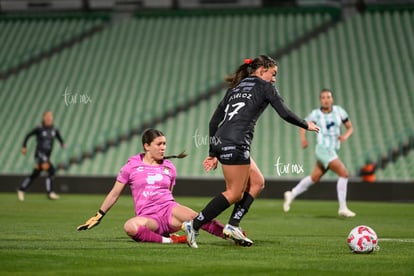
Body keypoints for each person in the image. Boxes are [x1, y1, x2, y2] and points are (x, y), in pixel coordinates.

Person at [184, 55, 320, 248]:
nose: (274, 79)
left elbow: (214, 121)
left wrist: (213, 152)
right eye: (273, 74)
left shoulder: (235, 88)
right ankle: (194, 225)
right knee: (234, 193)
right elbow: (284, 113)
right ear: (262, 70)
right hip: (237, 141)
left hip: (224, 139)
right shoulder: (266, 87)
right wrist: (306, 124)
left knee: (257, 182)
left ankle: (232, 225)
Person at [77, 129, 225, 244]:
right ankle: (170, 240)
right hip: (148, 217)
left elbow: (169, 195)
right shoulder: (131, 167)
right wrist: (99, 215)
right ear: (147, 146)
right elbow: (114, 193)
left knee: (197, 217)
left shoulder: (170, 167)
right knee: (130, 227)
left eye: (164, 144)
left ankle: (231, 235)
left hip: (169, 212)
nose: (163, 148)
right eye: (159, 144)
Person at [283, 88, 356, 217]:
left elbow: (350, 127)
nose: (326, 100)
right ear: (320, 100)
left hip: (332, 149)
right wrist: (303, 139)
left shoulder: (339, 111)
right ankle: (342, 208)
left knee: (314, 178)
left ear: (332, 99)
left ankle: (292, 193)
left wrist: (345, 136)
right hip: (322, 149)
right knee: (344, 174)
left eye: (328, 97)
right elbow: (302, 124)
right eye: (323, 97)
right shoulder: (316, 114)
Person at [17, 111, 65, 201]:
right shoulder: (39, 128)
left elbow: (58, 137)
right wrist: (24, 146)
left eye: (50, 116)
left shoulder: (54, 129)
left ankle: (21, 189)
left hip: (47, 155)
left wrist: (62, 143)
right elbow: (28, 135)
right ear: (44, 117)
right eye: (47, 116)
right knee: (51, 170)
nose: (49, 118)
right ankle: (49, 192)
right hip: (40, 154)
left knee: (35, 174)